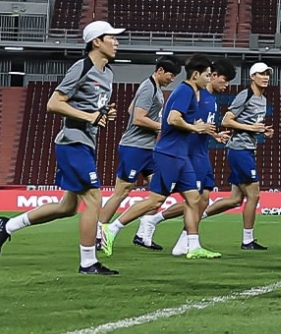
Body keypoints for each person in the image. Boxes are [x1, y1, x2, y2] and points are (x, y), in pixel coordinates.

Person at [0, 20, 123, 275]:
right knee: (94, 198)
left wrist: (104, 114)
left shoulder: (107, 73)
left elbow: (92, 108)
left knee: (68, 208)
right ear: (97, 41)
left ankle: (7, 226)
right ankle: (88, 263)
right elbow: (54, 103)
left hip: (86, 142)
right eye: (112, 37)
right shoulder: (82, 67)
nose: (116, 42)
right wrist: (90, 117)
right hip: (73, 142)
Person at [98, 54, 223, 260]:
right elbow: (173, 119)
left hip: (180, 155)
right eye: (207, 75)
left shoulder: (191, 92)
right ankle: (112, 229)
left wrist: (203, 129)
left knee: (195, 199)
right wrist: (195, 128)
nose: (209, 79)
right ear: (196, 75)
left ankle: (193, 246)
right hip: (169, 154)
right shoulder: (184, 91)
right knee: (155, 200)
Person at [138, 58, 234, 254]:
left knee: (203, 198)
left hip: (201, 152)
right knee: (194, 199)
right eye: (224, 80)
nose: (227, 85)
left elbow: (200, 125)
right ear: (213, 76)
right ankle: (159, 225)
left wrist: (215, 134)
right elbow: (182, 121)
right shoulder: (197, 95)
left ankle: (182, 240)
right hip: (189, 152)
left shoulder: (212, 100)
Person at [99, 56, 181, 234]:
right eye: (171, 75)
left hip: (147, 149)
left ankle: (143, 233)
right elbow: (137, 118)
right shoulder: (148, 88)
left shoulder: (155, 87)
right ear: (160, 71)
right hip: (135, 147)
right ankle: (99, 232)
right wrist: (163, 127)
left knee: (159, 192)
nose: (172, 79)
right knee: (122, 192)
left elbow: (131, 109)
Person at [202, 61, 276, 250]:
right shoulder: (246, 95)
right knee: (254, 194)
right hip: (239, 150)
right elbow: (227, 119)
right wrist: (252, 128)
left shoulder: (263, 99)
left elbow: (250, 124)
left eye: (267, 73)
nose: (265, 77)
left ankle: (197, 216)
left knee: (235, 199)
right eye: (261, 73)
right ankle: (247, 240)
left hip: (247, 149)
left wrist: (263, 131)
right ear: (253, 77)